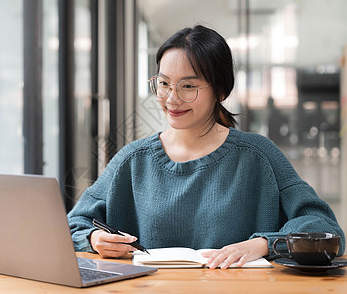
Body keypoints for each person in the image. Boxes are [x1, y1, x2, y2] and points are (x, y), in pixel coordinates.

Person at [67, 24, 345, 269]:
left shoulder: (258, 155)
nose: (171, 99)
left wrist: (264, 244)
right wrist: (94, 238)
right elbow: (71, 225)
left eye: (188, 86)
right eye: (163, 84)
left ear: (220, 90)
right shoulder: (132, 160)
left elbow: (325, 229)